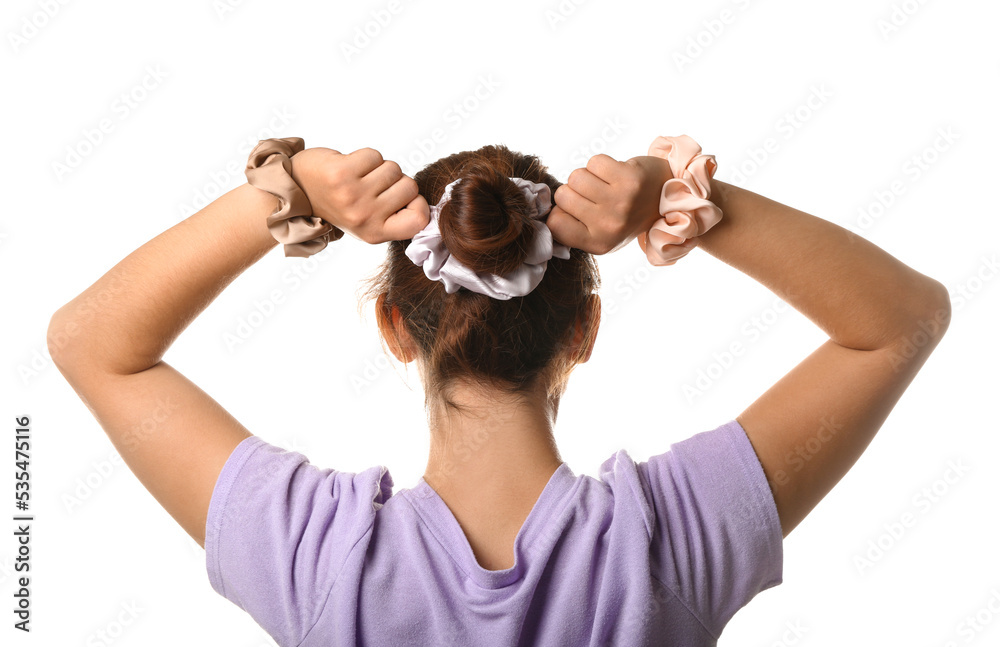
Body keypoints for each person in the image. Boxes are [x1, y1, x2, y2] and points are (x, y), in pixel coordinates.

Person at [47, 135, 951, 646]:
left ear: (394, 329)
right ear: (584, 332)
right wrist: (675, 200)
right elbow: (903, 319)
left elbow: (92, 345)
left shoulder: (317, 555)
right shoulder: (669, 540)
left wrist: (288, 192)